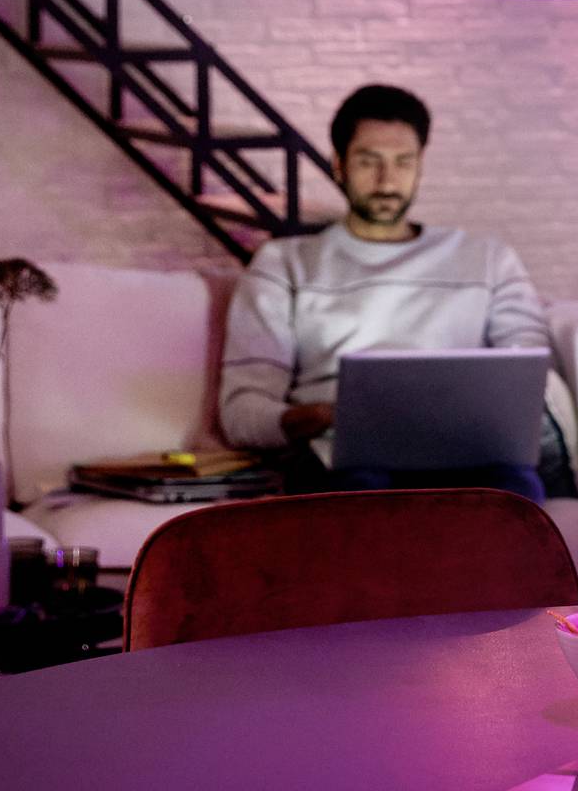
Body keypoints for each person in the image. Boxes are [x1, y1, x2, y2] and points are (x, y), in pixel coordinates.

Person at [219, 83, 559, 503]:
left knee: (516, 492)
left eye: (403, 162)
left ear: (420, 166)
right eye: (369, 161)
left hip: (466, 451)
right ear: (339, 165)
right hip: (341, 458)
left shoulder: (488, 260)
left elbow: (528, 376)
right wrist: (315, 417)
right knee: (363, 491)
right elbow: (242, 411)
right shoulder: (284, 264)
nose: (387, 180)